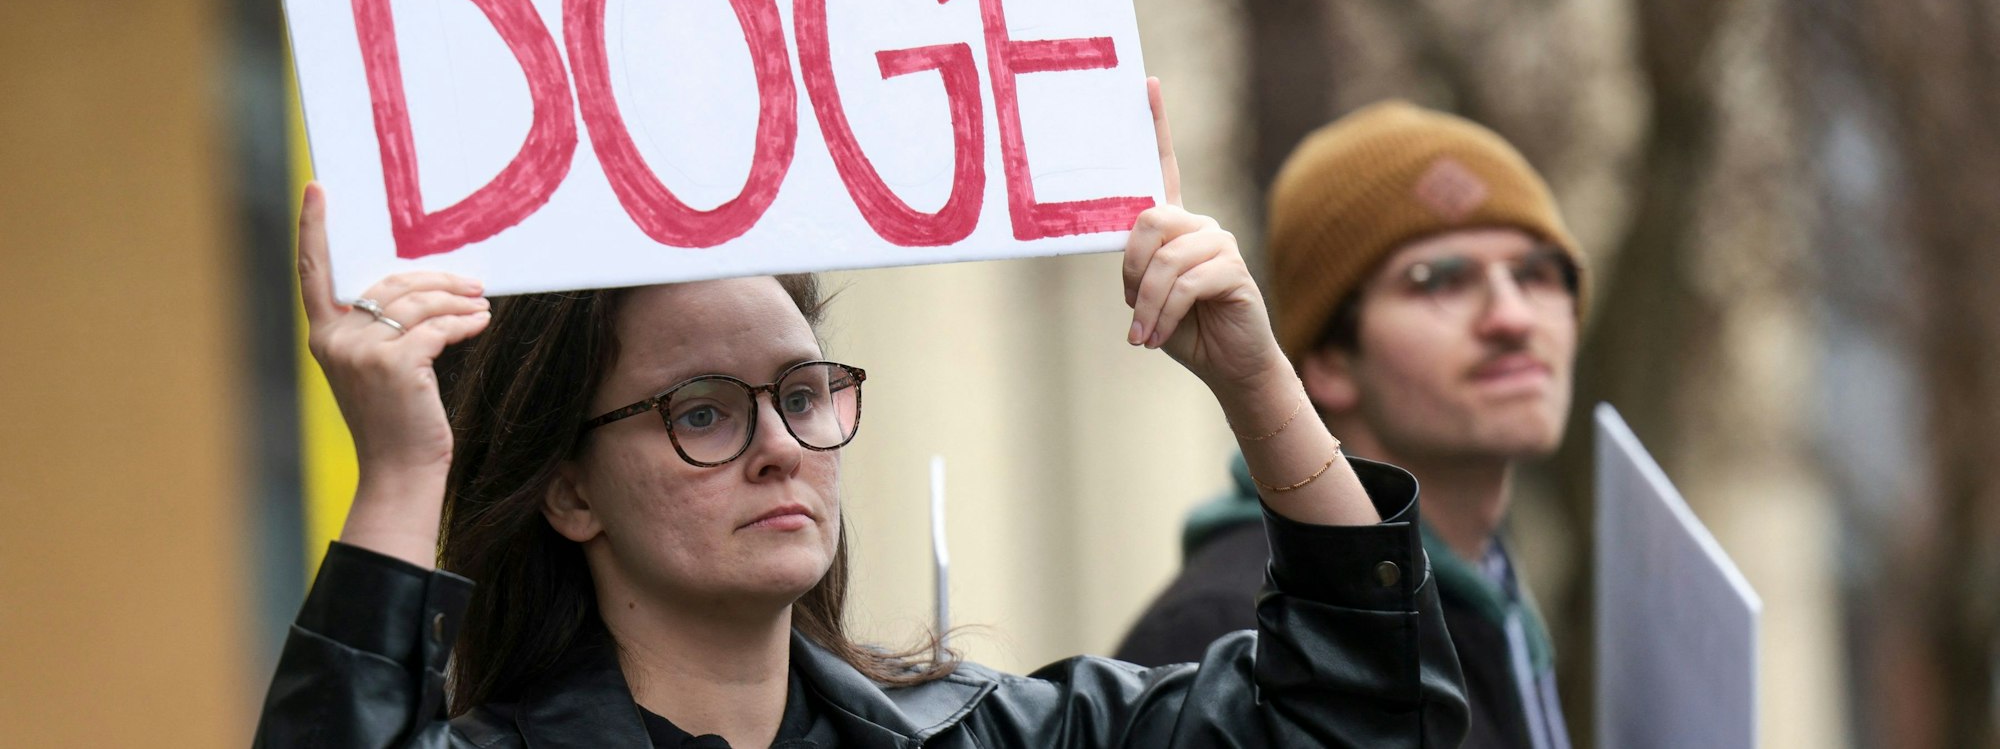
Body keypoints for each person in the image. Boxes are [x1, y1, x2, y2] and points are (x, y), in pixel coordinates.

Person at [254, 81, 1468, 748]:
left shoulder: (991, 737)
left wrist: (1254, 380)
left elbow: (1363, 721)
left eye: (801, 394)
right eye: (702, 413)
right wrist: (402, 471)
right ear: (570, 490)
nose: (781, 445)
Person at [1115, 100, 1585, 749]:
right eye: (1439, 280)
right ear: (1330, 361)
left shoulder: (1494, 597)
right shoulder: (1228, 630)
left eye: (1538, 273)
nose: (1513, 317)